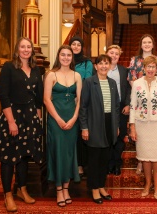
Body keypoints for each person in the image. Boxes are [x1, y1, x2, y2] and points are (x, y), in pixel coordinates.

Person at [0, 37, 43, 212]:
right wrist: (11, 122)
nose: (26, 49)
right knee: (8, 158)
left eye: (29, 47)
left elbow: (38, 98)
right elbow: (3, 96)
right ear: (17, 49)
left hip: (29, 118)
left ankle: (22, 189)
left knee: (23, 156)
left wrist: (38, 118)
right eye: (23, 46)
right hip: (11, 117)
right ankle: (8, 194)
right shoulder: (8, 67)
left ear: (32, 50)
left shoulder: (36, 69)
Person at [129, 55, 157, 200]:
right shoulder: (137, 84)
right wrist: (132, 127)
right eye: (148, 66)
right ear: (144, 68)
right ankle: (147, 184)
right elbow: (133, 106)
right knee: (145, 158)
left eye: (153, 66)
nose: (151, 69)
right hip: (141, 124)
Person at [79, 54, 120, 204]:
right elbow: (83, 107)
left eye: (106, 63)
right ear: (95, 66)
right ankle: (94, 188)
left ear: (109, 66)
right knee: (94, 159)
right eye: (100, 63)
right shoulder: (89, 82)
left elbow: (116, 106)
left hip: (109, 123)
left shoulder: (112, 83)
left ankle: (102, 185)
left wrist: (115, 126)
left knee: (105, 158)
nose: (103, 66)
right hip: (94, 123)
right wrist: (84, 127)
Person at [44, 45, 82, 207]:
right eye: (63, 55)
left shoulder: (77, 75)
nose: (66, 58)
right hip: (55, 119)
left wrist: (74, 118)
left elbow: (79, 100)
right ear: (58, 56)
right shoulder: (51, 75)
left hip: (72, 119)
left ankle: (66, 187)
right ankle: (59, 190)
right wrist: (58, 120)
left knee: (69, 153)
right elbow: (46, 100)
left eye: (68, 55)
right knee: (58, 153)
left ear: (72, 58)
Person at [127, 34, 157, 174]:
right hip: (140, 97)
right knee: (141, 140)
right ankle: (141, 161)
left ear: (153, 44)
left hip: (156, 98)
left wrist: (152, 90)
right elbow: (131, 77)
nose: (147, 44)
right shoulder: (135, 59)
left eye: (149, 42)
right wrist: (140, 89)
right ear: (141, 44)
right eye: (144, 42)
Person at [69, 36, 93, 177]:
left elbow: (88, 80)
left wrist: (79, 96)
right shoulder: (65, 60)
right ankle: (70, 163)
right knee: (70, 134)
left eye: (78, 44)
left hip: (82, 100)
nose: (76, 46)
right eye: (74, 44)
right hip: (66, 101)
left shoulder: (87, 63)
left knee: (81, 133)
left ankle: (81, 164)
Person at [106, 45, 131, 176]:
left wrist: (128, 104)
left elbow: (128, 89)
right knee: (108, 136)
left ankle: (117, 164)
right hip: (105, 108)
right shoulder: (101, 69)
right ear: (107, 54)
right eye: (111, 53)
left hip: (121, 108)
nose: (114, 56)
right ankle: (109, 163)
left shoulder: (123, 70)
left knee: (120, 136)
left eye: (117, 54)